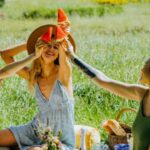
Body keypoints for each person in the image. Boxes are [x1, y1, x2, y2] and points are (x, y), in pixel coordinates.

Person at [0, 9, 76, 150]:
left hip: (60, 139)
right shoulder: (33, 76)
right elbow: (5, 57)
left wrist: (61, 38)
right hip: (35, 130)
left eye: (55, 47)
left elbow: (65, 57)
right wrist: (32, 46)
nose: (50, 49)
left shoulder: (63, 74)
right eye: (47, 44)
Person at [66, 44, 150, 150]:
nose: (142, 67)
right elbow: (104, 80)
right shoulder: (142, 93)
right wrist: (72, 57)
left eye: (146, 64)